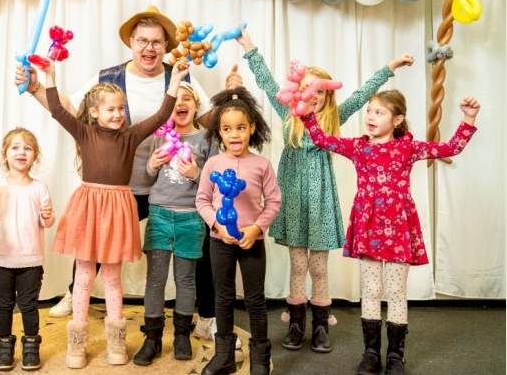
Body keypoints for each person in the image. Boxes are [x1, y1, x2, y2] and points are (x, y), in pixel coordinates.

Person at [16, 6, 241, 323]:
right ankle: (75, 290)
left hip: (170, 188)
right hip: (121, 187)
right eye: (142, 41)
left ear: (165, 46)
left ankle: (206, 315)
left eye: (157, 42)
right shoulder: (107, 78)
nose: (149, 48)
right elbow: (66, 108)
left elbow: (207, 119)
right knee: (95, 240)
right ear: (132, 43)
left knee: (198, 245)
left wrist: (232, 99)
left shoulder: (180, 76)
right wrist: (35, 85)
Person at [235, 27, 414, 353]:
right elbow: (266, 82)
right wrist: (249, 47)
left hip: (320, 201)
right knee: (297, 265)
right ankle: (297, 324)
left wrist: (391, 66)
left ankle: (320, 325)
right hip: (292, 201)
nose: (311, 95)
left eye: (318, 90)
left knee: (318, 266)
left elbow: (362, 95)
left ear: (326, 95)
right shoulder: (289, 116)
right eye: (306, 89)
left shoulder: (333, 118)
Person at [301, 91, 480, 375]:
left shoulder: (408, 148)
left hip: (398, 228)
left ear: (397, 120)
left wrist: (468, 118)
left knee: (396, 292)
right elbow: (322, 139)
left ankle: (396, 355)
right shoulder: (359, 147)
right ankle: (371, 352)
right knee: (371, 291)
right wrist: (308, 114)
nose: (370, 116)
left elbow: (449, 148)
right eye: (369, 111)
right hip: (368, 227)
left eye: (379, 112)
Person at [37, 58, 188, 368]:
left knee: (112, 278)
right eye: (111, 109)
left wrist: (176, 80)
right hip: (89, 206)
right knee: (84, 276)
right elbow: (56, 109)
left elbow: (162, 113)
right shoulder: (83, 132)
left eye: (121, 108)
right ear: (94, 112)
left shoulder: (130, 136)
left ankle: (115, 340)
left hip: (118, 207)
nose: (118, 114)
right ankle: (77, 343)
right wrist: (50, 75)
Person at [196, 87, 282, 375]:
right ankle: (225, 357)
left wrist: (256, 228)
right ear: (219, 132)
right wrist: (217, 225)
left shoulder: (262, 165)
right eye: (227, 129)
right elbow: (203, 201)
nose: (234, 135)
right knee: (223, 296)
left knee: (255, 299)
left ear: (252, 128)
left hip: (251, 241)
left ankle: (259, 357)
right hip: (220, 241)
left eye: (241, 128)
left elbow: (274, 202)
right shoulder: (213, 164)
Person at [133, 82, 219, 366]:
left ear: (196, 106)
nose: (180, 103)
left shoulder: (206, 138)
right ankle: (153, 338)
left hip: (191, 218)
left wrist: (196, 172)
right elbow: (146, 181)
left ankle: (182, 334)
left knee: (185, 279)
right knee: (155, 279)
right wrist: (152, 166)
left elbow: (215, 183)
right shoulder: (159, 137)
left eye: (187, 99)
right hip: (159, 216)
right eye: (175, 100)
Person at [0, 128, 55, 371]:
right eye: (15, 147)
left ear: (34, 155)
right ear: (5, 154)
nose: (21, 152)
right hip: (0, 258)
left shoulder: (39, 187)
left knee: (28, 305)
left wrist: (48, 215)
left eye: (27, 147)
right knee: (2, 305)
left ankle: (31, 345)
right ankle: (4, 346)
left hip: (31, 259)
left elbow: (47, 221)